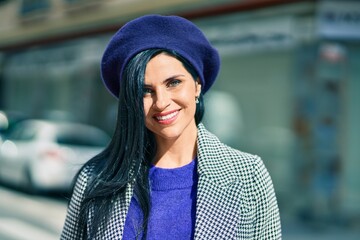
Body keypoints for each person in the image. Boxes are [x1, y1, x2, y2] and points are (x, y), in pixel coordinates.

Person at [60, 14, 281, 240]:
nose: (161, 102)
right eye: (145, 90)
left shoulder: (248, 175)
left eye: (174, 83)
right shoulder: (95, 178)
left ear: (197, 85)